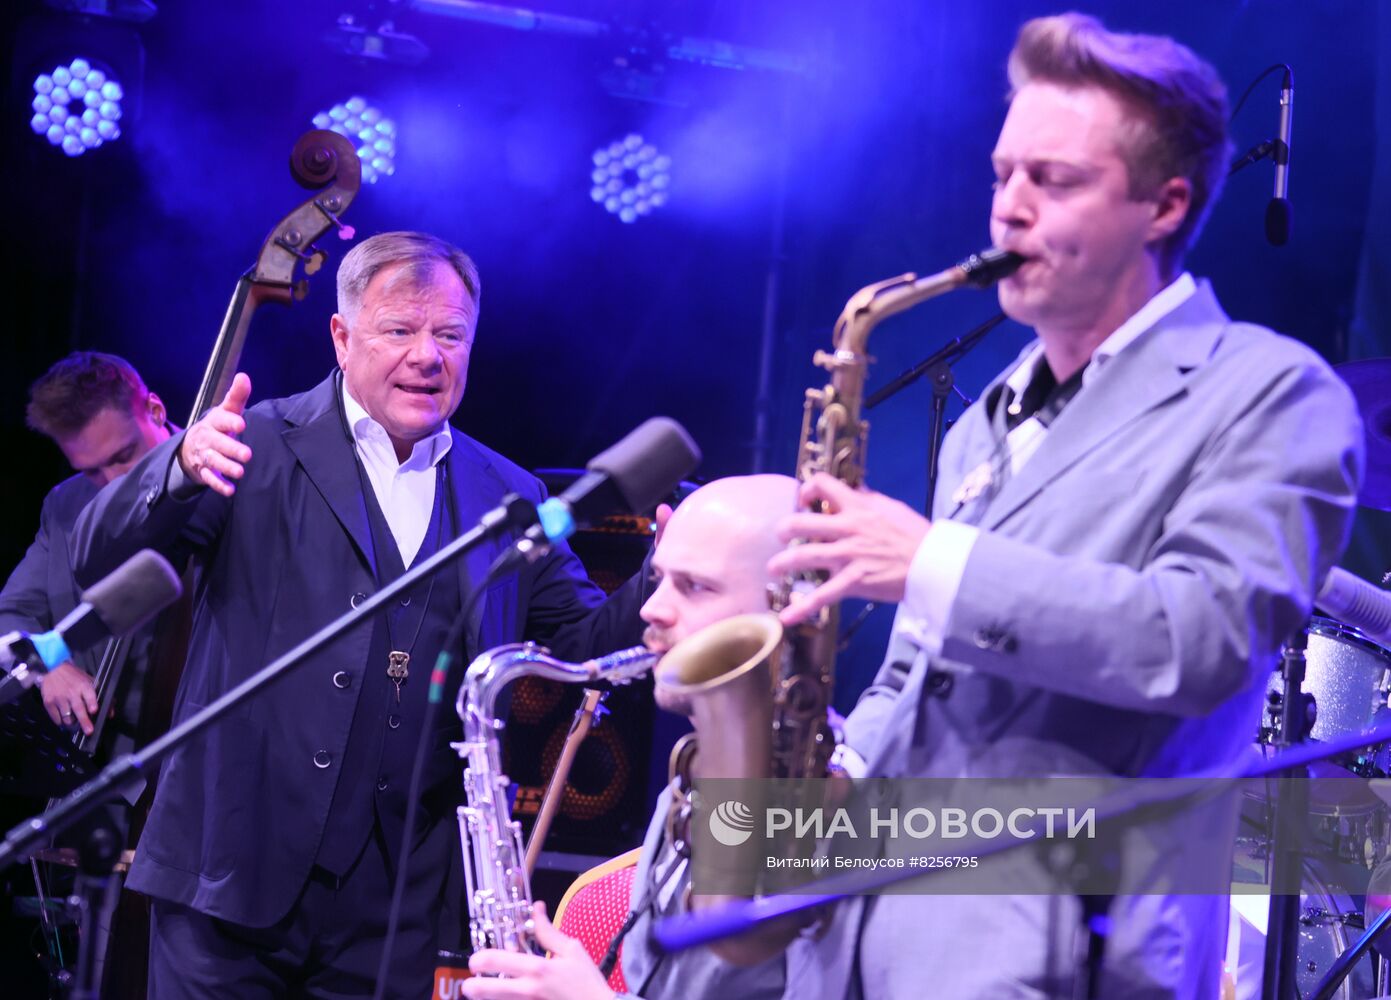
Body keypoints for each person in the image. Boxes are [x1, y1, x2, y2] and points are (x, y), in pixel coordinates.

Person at [766, 13, 1364, 998]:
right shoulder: (984, 421)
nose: (1008, 209)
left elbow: (1201, 638)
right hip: (865, 950)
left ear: (1164, 204)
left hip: (1060, 960)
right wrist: (829, 768)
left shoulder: (1271, 394)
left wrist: (929, 562)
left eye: (1052, 180)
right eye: (1002, 175)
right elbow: (914, 674)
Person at [70, 231, 648, 999]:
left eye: (449, 335)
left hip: (397, 909)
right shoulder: (256, 443)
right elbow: (96, 560)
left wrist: (664, 576)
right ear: (342, 337)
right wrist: (174, 469)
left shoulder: (509, 495)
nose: (426, 356)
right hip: (228, 883)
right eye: (399, 330)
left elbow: (582, 648)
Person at [463, 474, 795, 1000]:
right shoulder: (684, 791)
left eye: (696, 586)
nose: (650, 609)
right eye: (659, 578)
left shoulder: (843, 803)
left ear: (793, 609)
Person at [0, 351, 173, 738]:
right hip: (103, 750)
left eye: (123, 456)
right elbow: (10, 614)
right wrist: (47, 665)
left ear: (155, 411)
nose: (112, 483)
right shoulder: (65, 505)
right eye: (91, 470)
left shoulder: (218, 476)